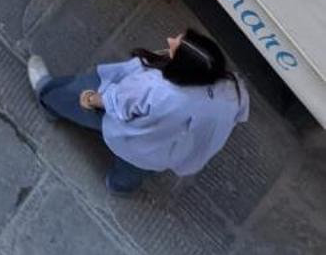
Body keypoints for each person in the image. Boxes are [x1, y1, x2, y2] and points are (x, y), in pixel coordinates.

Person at [28, 31, 249, 195]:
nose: (169, 40)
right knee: (135, 169)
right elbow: (240, 115)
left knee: (72, 94)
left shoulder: (158, 89)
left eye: (176, 45)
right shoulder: (233, 89)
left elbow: (117, 102)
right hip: (165, 153)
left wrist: (92, 99)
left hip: (133, 134)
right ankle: (119, 187)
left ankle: (48, 98)